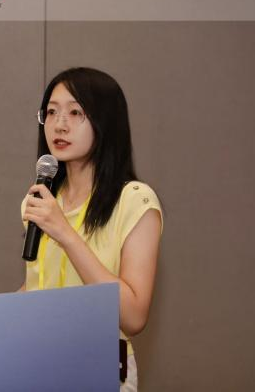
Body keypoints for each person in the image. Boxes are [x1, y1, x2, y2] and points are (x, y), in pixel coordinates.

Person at [20, 67, 163, 391]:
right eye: (51, 112)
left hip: (100, 370)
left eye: (75, 113)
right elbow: (39, 286)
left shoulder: (135, 201)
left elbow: (134, 316)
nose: (59, 124)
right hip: (38, 366)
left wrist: (65, 233)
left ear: (105, 122)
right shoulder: (43, 200)